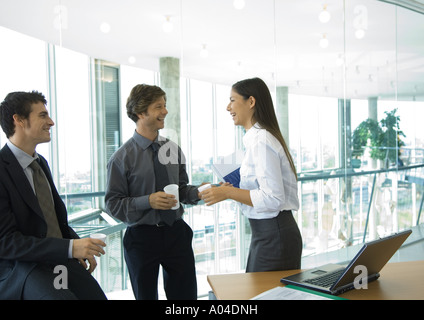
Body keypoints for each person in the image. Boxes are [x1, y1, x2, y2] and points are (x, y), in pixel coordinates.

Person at [0, 91, 107, 300]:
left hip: (56, 259)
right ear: (19, 120)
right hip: (23, 267)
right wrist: (70, 248)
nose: (51, 122)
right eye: (42, 115)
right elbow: (6, 242)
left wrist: (78, 245)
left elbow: (54, 222)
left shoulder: (41, 164)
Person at [105, 84, 201, 300]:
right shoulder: (122, 158)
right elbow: (113, 204)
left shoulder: (172, 149)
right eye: (159, 106)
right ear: (140, 112)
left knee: (186, 300)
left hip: (176, 232)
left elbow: (182, 190)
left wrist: (201, 192)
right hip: (141, 238)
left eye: (164, 105)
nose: (165, 111)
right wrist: (148, 201)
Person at [200, 77, 302, 272]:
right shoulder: (256, 140)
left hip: (274, 235)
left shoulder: (261, 141)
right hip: (267, 234)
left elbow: (273, 198)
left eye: (232, 100)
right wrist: (226, 190)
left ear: (251, 102)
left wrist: (229, 194)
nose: (228, 107)